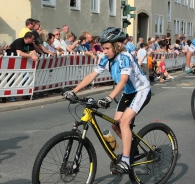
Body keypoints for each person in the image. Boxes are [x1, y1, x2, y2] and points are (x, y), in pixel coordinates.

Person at [63, 27, 151, 175]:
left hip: (141, 91)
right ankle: (132, 149)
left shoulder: (125, 57)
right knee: (115, 125)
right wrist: (74, 91)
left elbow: (123, 81)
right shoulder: (106, 58)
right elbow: (92, 75)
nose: (104, 51)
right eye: (103, 48)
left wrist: (109, 97)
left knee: (124, 122)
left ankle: (126, 160)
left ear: (117, 46)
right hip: (129, 93)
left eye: (107, 48)